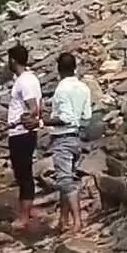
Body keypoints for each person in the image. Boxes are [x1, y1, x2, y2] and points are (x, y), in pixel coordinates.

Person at [47, 52, 92, 232]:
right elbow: (87, 117)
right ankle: (63, 219)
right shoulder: (84, 88)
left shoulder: (61, 89)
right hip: (77, 137)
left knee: (65, 181)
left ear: (59, 69)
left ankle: (77, 221)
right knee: (69, 178)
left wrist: (42, 122)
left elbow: (65, 118)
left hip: (63, 137)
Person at [6, 44, 42, 229]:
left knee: (23, 175)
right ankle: (29, 208)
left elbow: (33, 107)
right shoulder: (29, 79)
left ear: (13, 60)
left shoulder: (25, 81)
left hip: (21, 134)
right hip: (22, 133)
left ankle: (24, 217)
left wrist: (17, 122)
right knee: (23, 173)